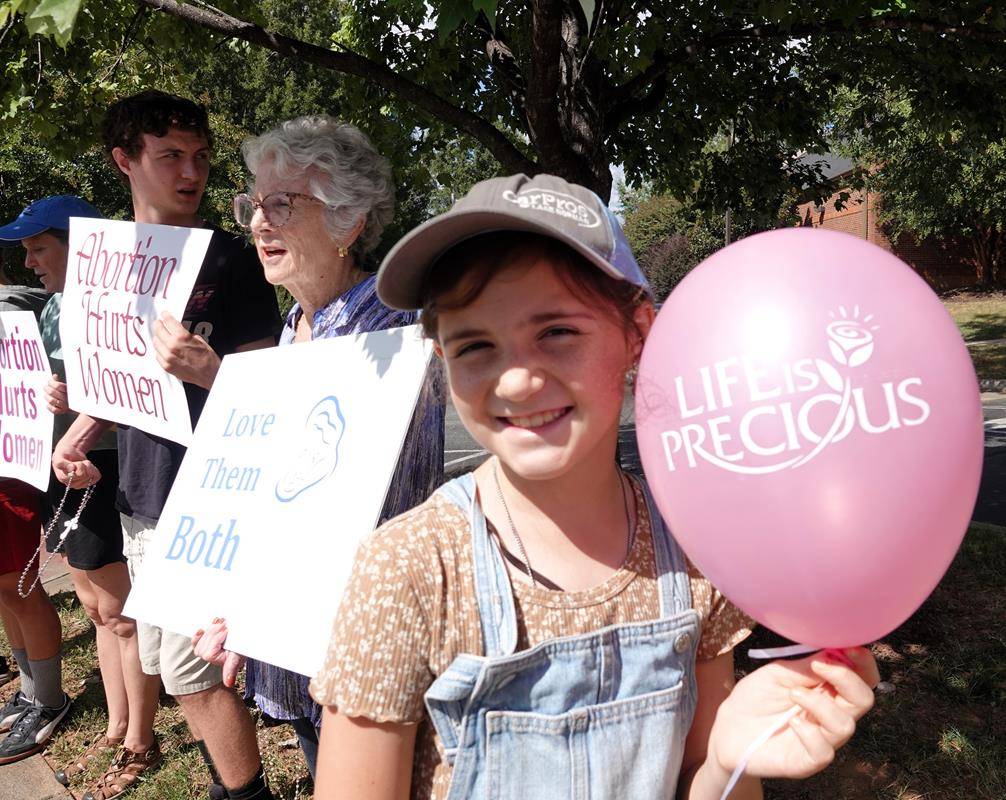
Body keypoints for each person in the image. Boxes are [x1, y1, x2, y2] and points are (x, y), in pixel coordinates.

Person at [307, 174, 880, 800]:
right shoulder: (410, 571)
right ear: (442, 359)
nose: (517, 382)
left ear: (637, 333)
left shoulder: (693, 550)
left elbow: (706, 781)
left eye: (556, 332)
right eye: (475, 345)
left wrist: (725, 764)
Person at [192, 115, 444, 781]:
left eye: (281, 204)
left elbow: (388, 510)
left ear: (349, 219)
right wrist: (245, 605)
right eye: (253, 203)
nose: (256, 223)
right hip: (295, 645)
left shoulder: (394, 335)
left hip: (366, 655)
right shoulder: (291, 332)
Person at [52, 91, 282, 800]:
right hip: (140, 494)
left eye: (201, 157)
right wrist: (83, 431)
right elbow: (121, 383)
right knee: (167, 661)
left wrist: (206, 369)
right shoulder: (110, 263)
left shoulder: (236, 262)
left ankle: (246, 796)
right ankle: (228, 785)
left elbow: (276, 391)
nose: (192, 172)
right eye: (171, 156)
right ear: (125, 162)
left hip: (210, 494)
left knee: (193, 671)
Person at [0, 193, 164, 790]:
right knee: (96, 608)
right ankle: (116, 726)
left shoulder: (120, 307)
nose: (29, 263)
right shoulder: (50, 309)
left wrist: (84, 412)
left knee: (121, 613)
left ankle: (139, 740)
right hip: (60, 472)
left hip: (106, 468)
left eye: (39, 248)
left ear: (79, 245)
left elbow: (149, 399)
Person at [0, 234, 70, 764]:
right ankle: (28, 689)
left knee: (19, 586)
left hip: (12, 468)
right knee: (3, 590)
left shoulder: (17, 308)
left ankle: (47, 700)